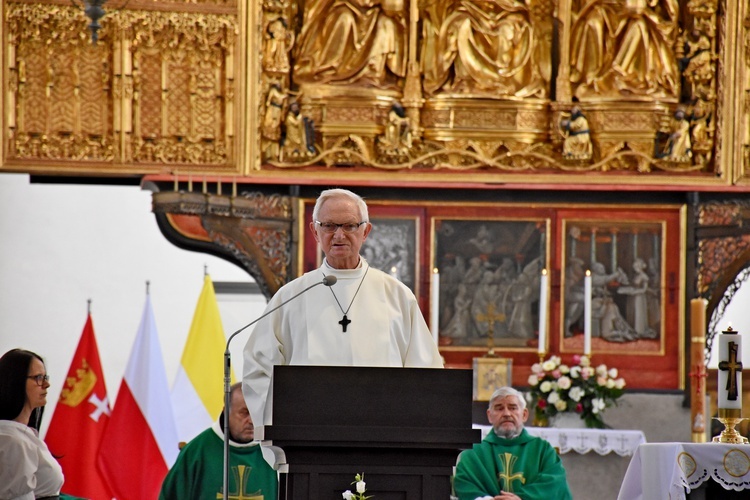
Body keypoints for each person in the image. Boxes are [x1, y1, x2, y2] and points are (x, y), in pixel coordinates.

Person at [243, 188, 443, 427]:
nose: (339, 235)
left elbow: (425, 372)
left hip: (384, 437)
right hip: (309, 437)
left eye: (349, 226)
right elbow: (258, 371)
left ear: (365, 231)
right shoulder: (291, 297)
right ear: (315, 232)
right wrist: (285, 424)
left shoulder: (397, 296)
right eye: (328, 226)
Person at [159, 383, 278, 500]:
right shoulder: (196, 453)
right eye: (244, 413)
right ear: (226, 411)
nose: (252, 421)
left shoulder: (275, 454)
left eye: (256, 414)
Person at [453, 387, 572, 500]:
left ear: (524, 414)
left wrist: (523, 498)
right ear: (489, 416)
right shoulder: (474, 454)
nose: (506, 414)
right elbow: (465, 485)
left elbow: (554, 482)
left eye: (513, 408)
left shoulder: (542, 450)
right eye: (499, 408)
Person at [0, 348, 65, 500]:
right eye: (38, 378)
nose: (47, 384)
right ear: (16, 382)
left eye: (45, 377)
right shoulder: (11, 441)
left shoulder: (21, 436)